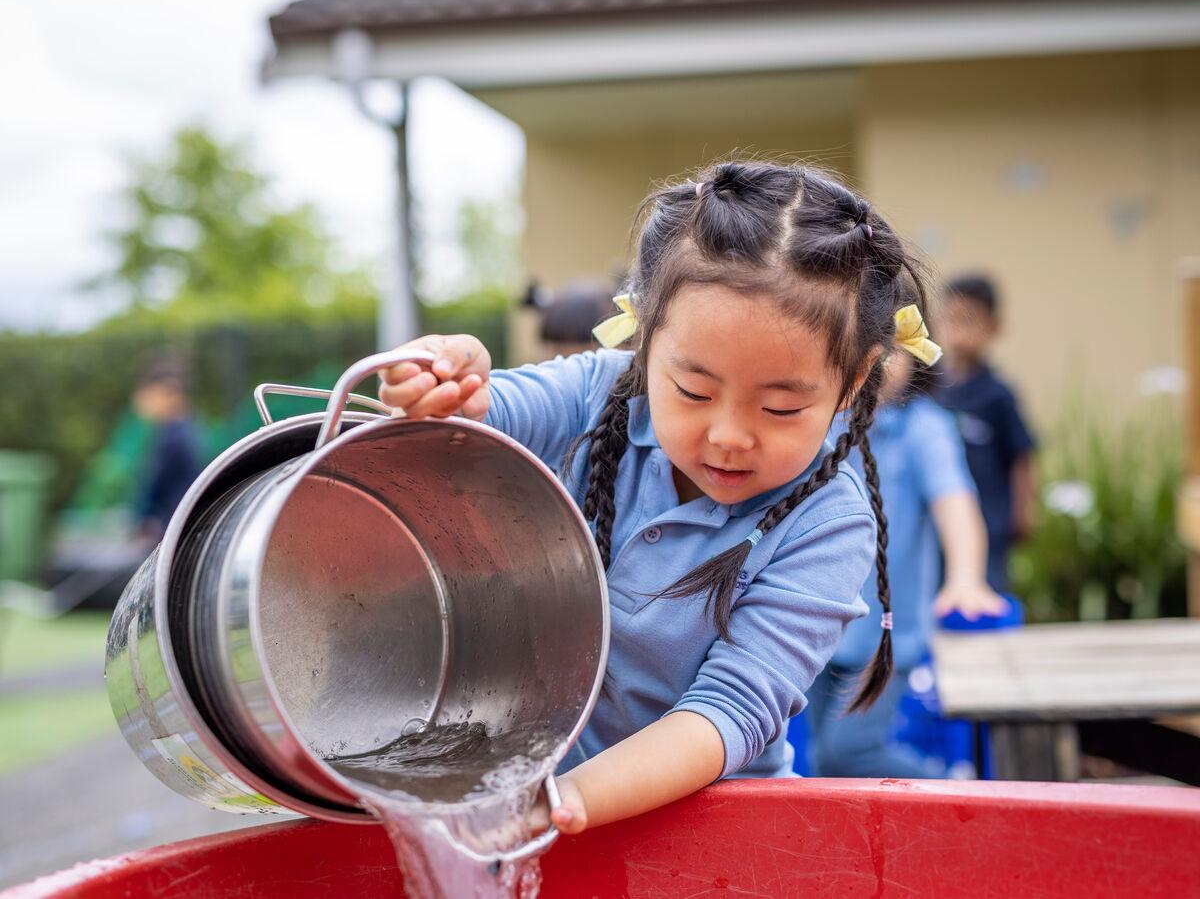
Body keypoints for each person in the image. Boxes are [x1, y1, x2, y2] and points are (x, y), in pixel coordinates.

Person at [378, 162, 938, 834]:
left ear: (853, 385)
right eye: (694, 392)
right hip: (539, 793)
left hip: (712, 834)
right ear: (644, 341)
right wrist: (443, 385)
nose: (729, 436)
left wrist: (557, 804)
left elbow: (728, 712)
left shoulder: (829, 520)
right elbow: (467, 426)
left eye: (782, 406)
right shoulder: (597, 393)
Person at [806, 337, 1008, 779]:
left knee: (848, 754)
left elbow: (955, 503)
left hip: (885, 636)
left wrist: (966, 576)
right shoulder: (823, 419)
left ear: (920, 354)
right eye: (863, 344)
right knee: (823, 762)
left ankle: (961, 797)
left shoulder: (922, 426)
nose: (878, 361)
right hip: (818, 627)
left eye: (893, 348)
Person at [931, 274, 1036, 592]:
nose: (957, 331)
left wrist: (1024, 512)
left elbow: (1021, 455)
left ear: (994, 326)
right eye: (950, 319)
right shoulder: (934, 391)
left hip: (990, 523)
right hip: (940, 522)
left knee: (984, 595)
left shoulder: (998, 395)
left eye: (969, 320)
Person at [131, 359, 201, 544]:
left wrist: (143, 518)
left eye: (149, 395)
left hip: (175, 530)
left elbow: (156, 486)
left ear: (169, 392)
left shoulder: (176, 437)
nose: (143, 402)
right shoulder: (182, 429)